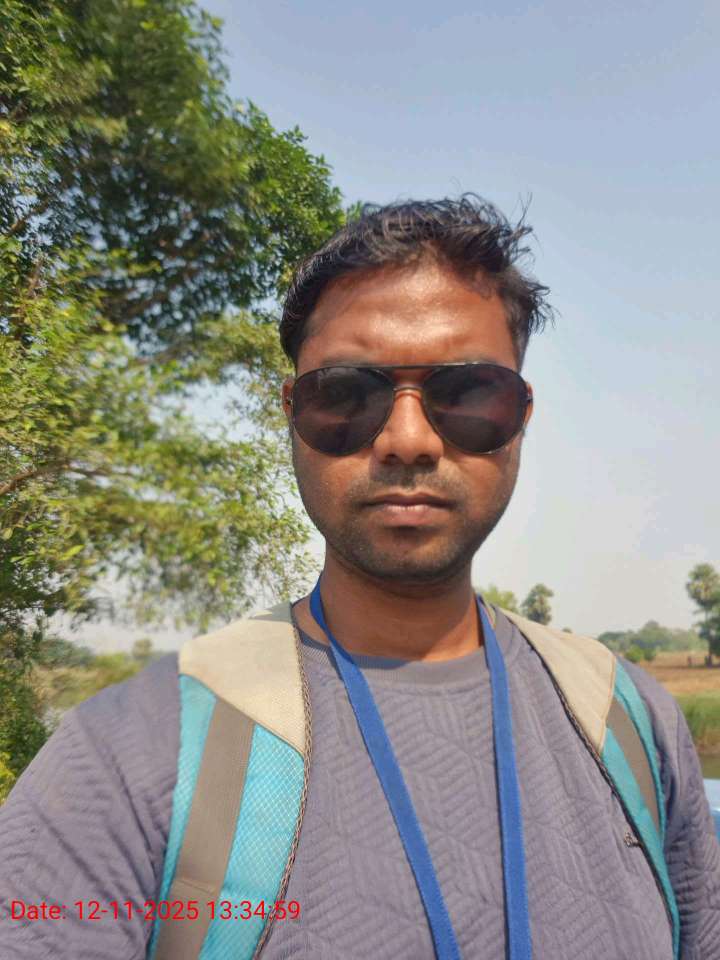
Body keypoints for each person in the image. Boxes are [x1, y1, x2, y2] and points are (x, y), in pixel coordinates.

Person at [1, 196, 718, 960]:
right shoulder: (128, 757)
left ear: (520, 414)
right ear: (292, 412)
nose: (408, 439)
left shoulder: (630, 723)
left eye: (466, 393)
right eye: (347, 393)